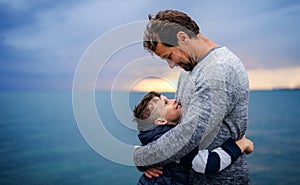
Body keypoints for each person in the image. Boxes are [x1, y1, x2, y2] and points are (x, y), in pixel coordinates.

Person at [133, 10, 251, 184]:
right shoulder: (190, 68)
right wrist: (158, 161)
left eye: (169, 56)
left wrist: (142, 157)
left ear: (182, 38)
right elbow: (176, 129)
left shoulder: (219, 71)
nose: (171, 65)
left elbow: (186, 137)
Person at [133, 91, 254, 185]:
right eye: (166, 103)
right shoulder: (176, 142)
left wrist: (144, 163)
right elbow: (208, 164)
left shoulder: (154, 138)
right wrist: (241, 145)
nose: (174, 100)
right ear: (161, 121)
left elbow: (142, 150)